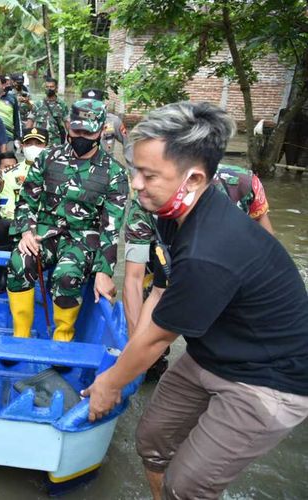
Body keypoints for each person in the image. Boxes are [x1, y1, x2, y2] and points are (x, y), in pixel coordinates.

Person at [83, 102, 308, 500]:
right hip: (213, 353)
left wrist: (109, 382)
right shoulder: (172, 213)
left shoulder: (211, 249)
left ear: (193, 178)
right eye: (135, 170)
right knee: (151, 442)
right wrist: (128, 356)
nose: (135, 184)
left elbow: (158, 339)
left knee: (187, 485)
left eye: (148, 175)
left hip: (269, 380)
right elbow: (161, 291)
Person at [6, 99, 128, 340]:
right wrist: (27, 232)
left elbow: (111, 228)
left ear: (101, 129)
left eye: (88, 132)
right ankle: (20, 335)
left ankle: (63, 338)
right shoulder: (48, 158)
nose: (81, 136)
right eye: (76, 130)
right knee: (19, 262)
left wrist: (104, 271)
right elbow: (27, 200)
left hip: (83, 239)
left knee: (66, 276)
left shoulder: (114, 173)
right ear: (67, 127)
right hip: (44, 232)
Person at [123, 161, 274, 336]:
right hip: (164, 254)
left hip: (227, 263)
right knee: (150, 327)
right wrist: (134, 344)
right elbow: (135, 279)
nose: (137, 184)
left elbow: (267, 250)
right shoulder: (146, 203)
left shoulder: (244, 183)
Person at [0, 127, 50, 294]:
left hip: (46, 221)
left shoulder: (57, 172)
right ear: (22, 146)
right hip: (17, 219)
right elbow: (6, 205)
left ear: (47, 146)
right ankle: (3, 272)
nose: (33, 147)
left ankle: (55, 278)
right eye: (29, 143)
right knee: (2, 225)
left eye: (38, 143)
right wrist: (25, 226)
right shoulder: (11, 174)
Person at [81, 88, 127, 157]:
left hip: (106, 163)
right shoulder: (75, 121)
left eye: (95, 104)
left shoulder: (113, 121)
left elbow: (128, 144)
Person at [33, 77, 69, 145]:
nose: (49, 89)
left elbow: (67, 123)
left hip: (56, 142)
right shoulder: (38, 104)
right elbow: (30, 120)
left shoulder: (62, 105)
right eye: (47, 87)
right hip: (39, 141)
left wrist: (72, 138)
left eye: (51, 87)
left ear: (56, 88)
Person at [0, 75, 23, 142]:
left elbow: (17, 119)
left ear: (4, 85)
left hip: (8, 136)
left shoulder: (12, 99)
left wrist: (18, 138)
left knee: (8, 152)